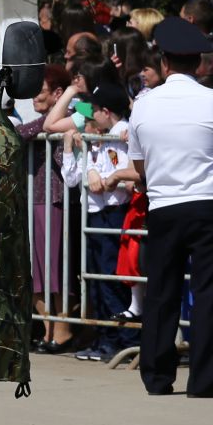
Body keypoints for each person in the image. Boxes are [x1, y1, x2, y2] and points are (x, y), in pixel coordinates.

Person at [127, 16, 213, 396]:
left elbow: (139, 165)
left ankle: (158, 377)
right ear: (199, 64)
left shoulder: (145, 106)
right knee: (208, 294)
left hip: (163, 205)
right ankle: (205, 379)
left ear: (164, 63)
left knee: (162, 291)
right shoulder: (210, 101)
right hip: (207, 204)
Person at [61, 83, 137, 359]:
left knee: (110, 277)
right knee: (94, 277)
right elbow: (76, 177)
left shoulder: (120, 133)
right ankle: (106, 337)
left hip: (113, 213)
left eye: (93, 112)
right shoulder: (99, 133)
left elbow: (115, 178)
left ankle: (122, 339)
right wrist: (77, 148)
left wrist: (94, 168)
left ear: (106, 111)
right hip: (95, 214)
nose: (88, 118)